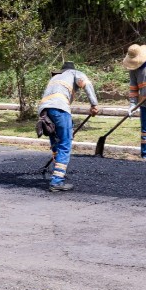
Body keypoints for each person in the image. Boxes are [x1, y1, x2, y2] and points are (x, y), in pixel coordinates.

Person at [37, 62, 100, 193]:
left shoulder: (55, 77)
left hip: (44, 110)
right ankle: (57, 181)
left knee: (56, 143)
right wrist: (94, 105)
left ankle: (57, 173)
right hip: (59, 108)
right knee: (65, 144)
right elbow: (87, 84)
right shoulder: (75, 73)